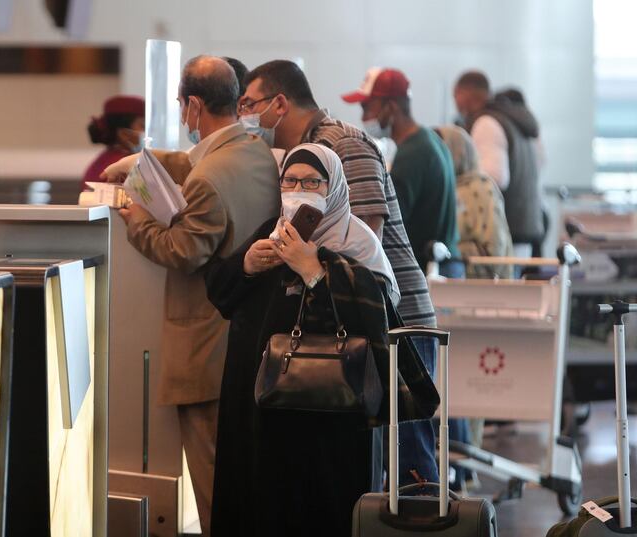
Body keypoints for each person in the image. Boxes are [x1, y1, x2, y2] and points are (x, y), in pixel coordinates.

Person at [239, 59, 439, 488]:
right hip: (349, 327)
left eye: (250, 104)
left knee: (406, 456)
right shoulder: (308, 151)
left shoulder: (342, 144)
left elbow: (366, 234)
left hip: (395, 320)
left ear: (279, 104)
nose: (247, 117)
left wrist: (315, 267)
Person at [205, 143, 412, 537]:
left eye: (312, 181)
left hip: (331, 409)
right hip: (264, 403)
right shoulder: (272, 231)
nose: (299, 188)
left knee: (323, 505)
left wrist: (316, 270)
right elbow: (221, 295)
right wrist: (247, 266)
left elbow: (379, 314)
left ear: (332, 186)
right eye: (291, 180)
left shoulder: (357, 241)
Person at [116, 55, 280, 537]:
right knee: (243, 483)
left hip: (207, 351)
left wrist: (137, 220)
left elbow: (183, 251)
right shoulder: (255, 153)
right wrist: (144, 163)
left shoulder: (207, 180)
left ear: (191, 105)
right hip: (249, 342)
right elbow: (199, 164)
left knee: (213, 492)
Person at [356, 68, 461, 276]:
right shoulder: (431, 140)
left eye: (368, 107)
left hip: (427, 270)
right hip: (446, 264)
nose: (364, 117)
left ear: (391, 106)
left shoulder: (413, 154)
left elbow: (391, 223)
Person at [453, 71, 544, 256]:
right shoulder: (511, 120)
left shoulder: (486, 123)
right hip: (523, 226)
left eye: (455, 96)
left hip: (506, 231)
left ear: (464, 94)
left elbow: (494, 177)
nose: (456, 104)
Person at [435, 125, 514, 279]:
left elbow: (495, 249)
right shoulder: (443, 187)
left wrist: (453, 252)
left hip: (480, 285)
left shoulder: (481, 188)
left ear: (454, 152)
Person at [82, 95, 144, 189]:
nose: (146, 131)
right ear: (123, 133)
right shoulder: (125, 164)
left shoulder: (103, 158)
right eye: (142, 125)